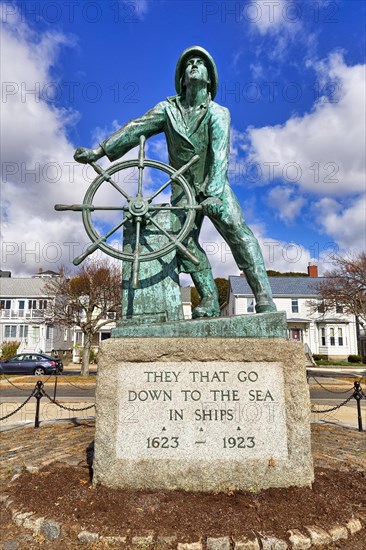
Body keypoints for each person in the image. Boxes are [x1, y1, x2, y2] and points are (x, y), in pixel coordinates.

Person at [74, 46, 276, 317]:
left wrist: (214, 194)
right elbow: (136, 128)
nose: (193, 66)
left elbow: (220, 155)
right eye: (188, 64)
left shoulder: (218, 113)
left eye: (200, 64)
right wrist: (98, 151)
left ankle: (263, 296)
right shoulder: (167, 110)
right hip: (182, 189)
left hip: (212, 184)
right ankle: (209, 300)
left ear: (209, 79)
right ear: (181, 79)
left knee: (238, 233)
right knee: (181, 243)